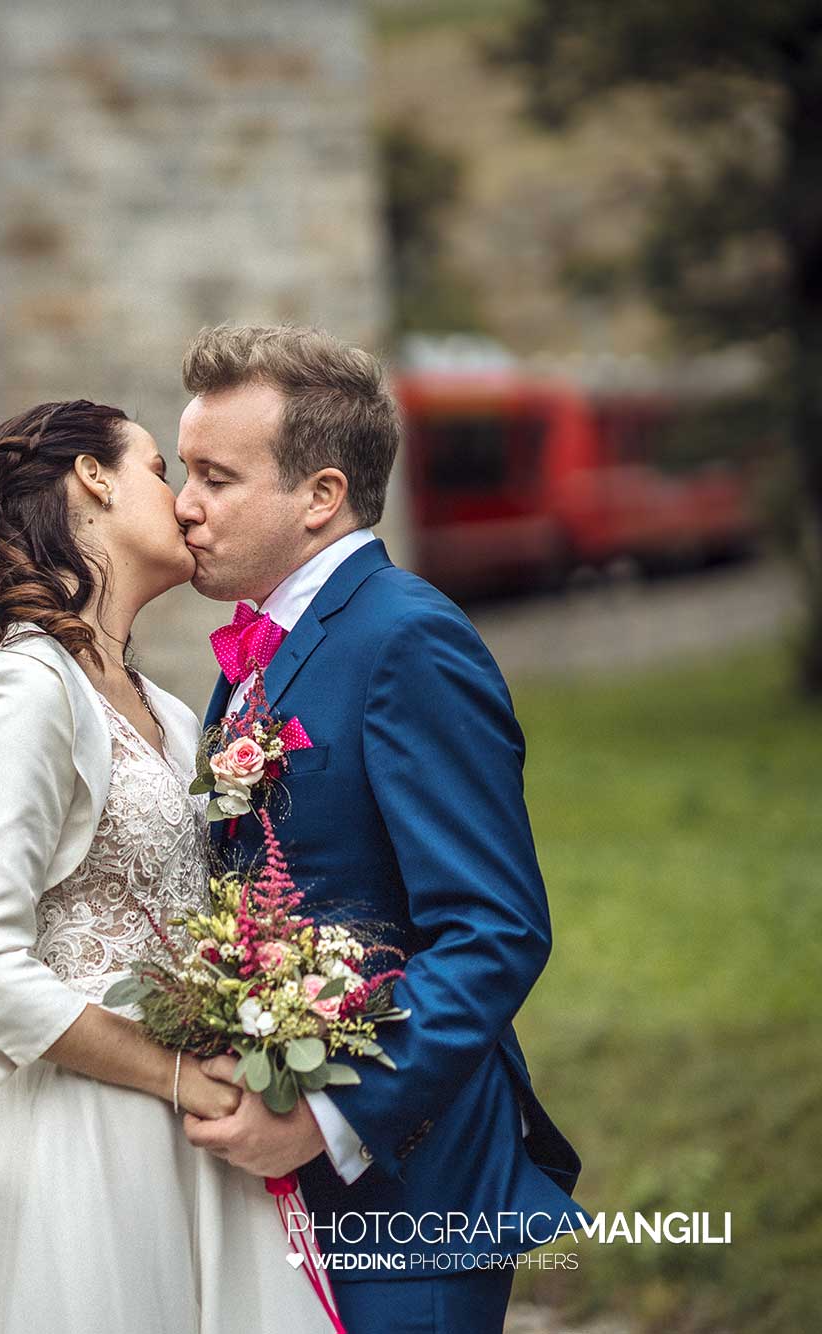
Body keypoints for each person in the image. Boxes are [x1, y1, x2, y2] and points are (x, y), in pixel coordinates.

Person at [0, 400, 335, 1332]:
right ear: (94, 478)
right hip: (90, 1148)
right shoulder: (28, 696)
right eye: (163, 469)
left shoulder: (169, 710)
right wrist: (176, 1075)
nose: (188, 503)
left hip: (193, 1134)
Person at [172, 324, 585, 1333]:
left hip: (406, 1188)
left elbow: (493, 927)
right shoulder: (248, 659)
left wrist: (323, 1114)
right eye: (184, 471)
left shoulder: (407, 639)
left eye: (214, 477)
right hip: (276, 1188)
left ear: (318, 495)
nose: (182, 504)